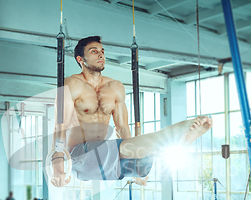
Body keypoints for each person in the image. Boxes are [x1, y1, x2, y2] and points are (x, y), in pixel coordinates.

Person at [51, 36, 212, 187]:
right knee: (137, 146)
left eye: (102, 51)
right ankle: (179, 130)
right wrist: (57, 167)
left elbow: (122, 128)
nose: (101, 54)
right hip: (81, 155)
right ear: (80, 59)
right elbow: (60, 127)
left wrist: (134, 156)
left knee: (142, 165)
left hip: (110, 152)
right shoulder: (71, 85)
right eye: (94, 51)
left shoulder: (115, 87)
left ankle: (183, 140)